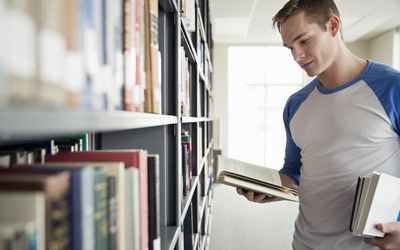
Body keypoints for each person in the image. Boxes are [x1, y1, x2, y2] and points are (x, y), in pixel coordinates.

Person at [236, 0, 400, 249]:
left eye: (303, 41)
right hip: (304, 244)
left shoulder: (392, 88)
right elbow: (293, 172)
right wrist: (270, 188)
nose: (297, 56)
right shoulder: (296, 104)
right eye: (289, 47)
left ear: (333, 25)